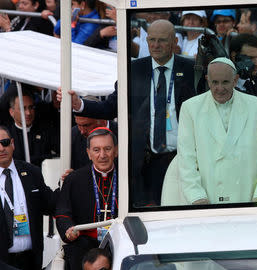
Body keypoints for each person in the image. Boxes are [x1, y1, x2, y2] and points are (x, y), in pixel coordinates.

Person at [58, 19, 197, 206]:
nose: (156, 45)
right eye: (151, 40)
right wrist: (79, 104)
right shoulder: (133, 70)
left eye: (162, 40)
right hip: (144, 161)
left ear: (175, 42)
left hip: (182, 158)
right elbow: (110, 107)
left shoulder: (191, 70)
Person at [177, 57, 257, 204]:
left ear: (235, 79)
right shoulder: (190, 108)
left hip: (250, 198)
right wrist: (197, 196)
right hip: (207, 199)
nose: (220, 88)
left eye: (225, 82)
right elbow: (186, 159)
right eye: (214, 82)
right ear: (207, 80)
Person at [56, 128, 118, 270]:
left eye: (107, 149)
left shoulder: (128, 176)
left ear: (116, 150)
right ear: (88, 153)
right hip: (85, 245)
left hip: (119, 243)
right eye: (96, 150)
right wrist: (69, 229)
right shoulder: (75, 179)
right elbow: (62, 213)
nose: (102, 155)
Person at [0, 125, 55, 270]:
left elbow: (50, 204)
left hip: (30, 261)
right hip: (2, 263)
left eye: (5, 142)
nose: (1, 148)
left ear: (13, 144)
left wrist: (67, 184)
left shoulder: (31, 172)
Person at [5, 87, 59, 167]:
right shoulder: (7, 135)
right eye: (23, 109)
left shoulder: (45, 130)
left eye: (31, 107)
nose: (28, 113)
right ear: (11, 112)